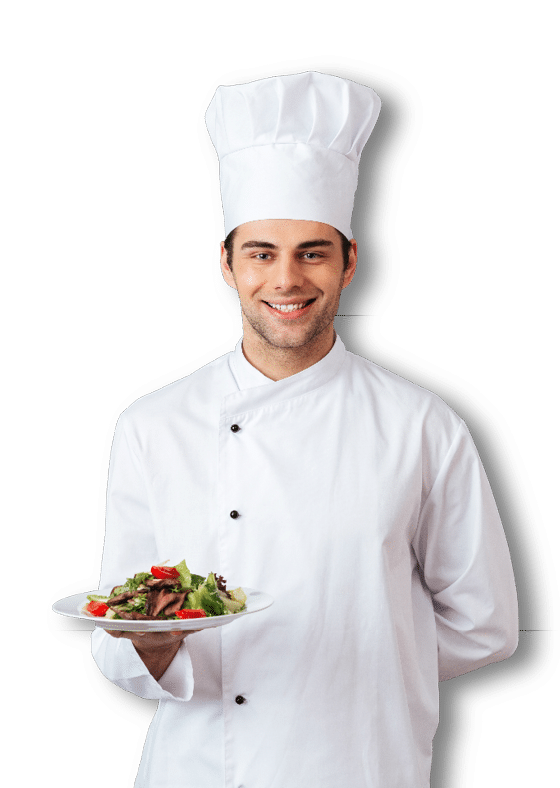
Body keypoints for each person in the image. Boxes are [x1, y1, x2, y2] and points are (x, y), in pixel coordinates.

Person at [91, 71, 518, 788]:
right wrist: (157, 649)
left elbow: (487, 625)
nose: (286, 280)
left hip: (363, 765)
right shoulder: (154, 424)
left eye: (312, 252)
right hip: (196, 770)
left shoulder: (422, 424)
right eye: (261, 253)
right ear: (227, 264)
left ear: (351, 262)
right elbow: (118, 636)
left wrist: (358, 678)